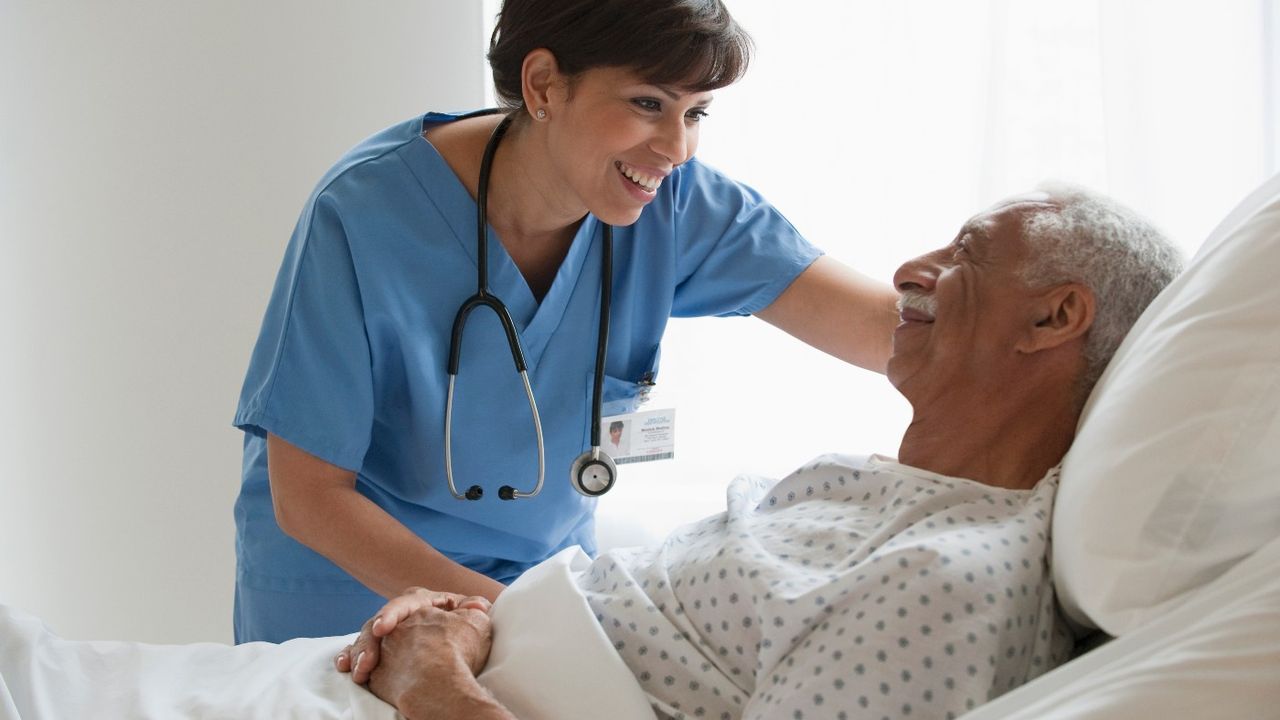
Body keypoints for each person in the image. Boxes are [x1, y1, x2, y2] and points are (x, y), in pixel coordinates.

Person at [334, 184, 1184, 719]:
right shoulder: (873, 494)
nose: (908, 269)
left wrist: (433, 680)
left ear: (1052, 318)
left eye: (965, 255)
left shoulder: (943, 580)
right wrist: (469, 624)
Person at [230, 0, 899, 643]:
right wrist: (528, 619)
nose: (677, 147)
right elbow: (311, 498)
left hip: (539, 589)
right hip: (358, 597)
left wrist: (990, 305)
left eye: (696, 112)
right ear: (544, 82)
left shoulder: (674, 206)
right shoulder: (366, 213)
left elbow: (881, 330)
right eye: (648, 104)